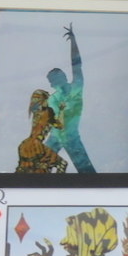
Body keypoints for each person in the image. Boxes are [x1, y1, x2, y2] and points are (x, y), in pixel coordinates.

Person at [44, 24, 95, 173]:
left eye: (53, 80)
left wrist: (73, 41)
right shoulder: (53, 99)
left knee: (87, 173)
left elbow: (77, 64)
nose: (52, 84)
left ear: (62, 77)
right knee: (38, 168)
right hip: (56, 137)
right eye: (50, 82)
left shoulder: (76, 88)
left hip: (71, 137)